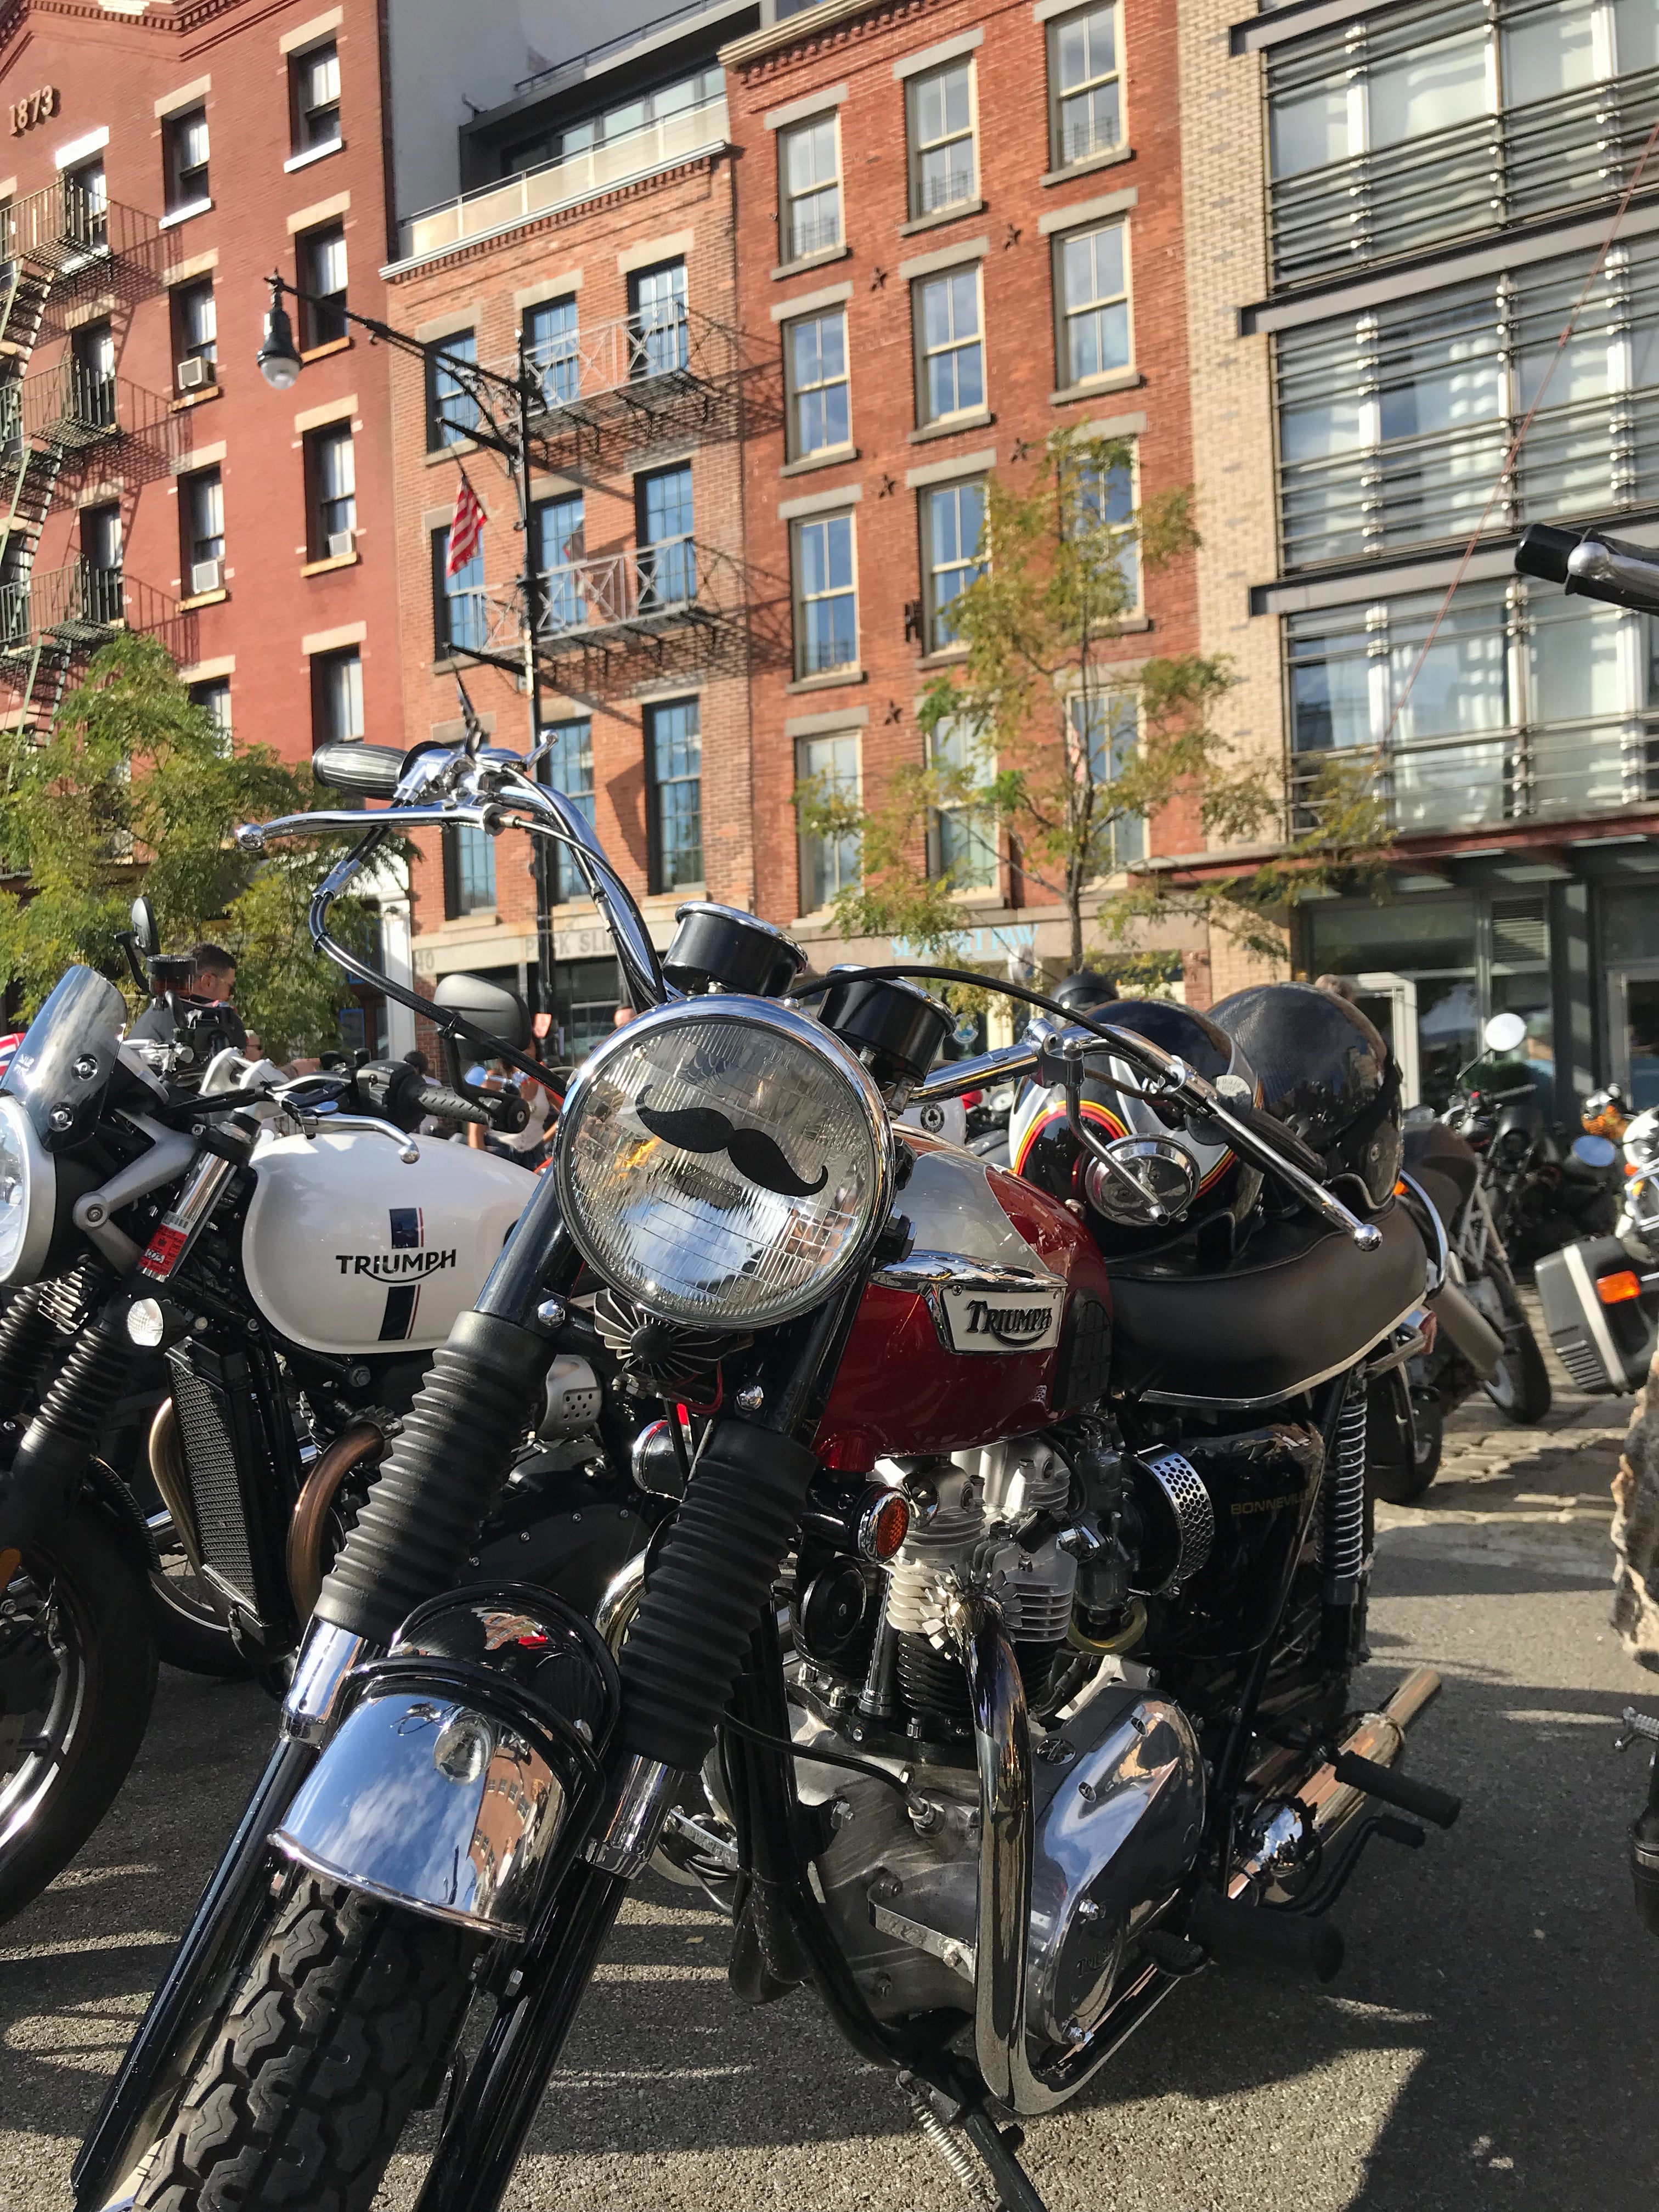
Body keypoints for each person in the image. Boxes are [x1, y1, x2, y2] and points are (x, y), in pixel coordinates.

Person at [129, 942, 257, 1056]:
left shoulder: (154, 1017)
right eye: (230, 987)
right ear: (208, 982)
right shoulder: (201, 1023)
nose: (230, 996)